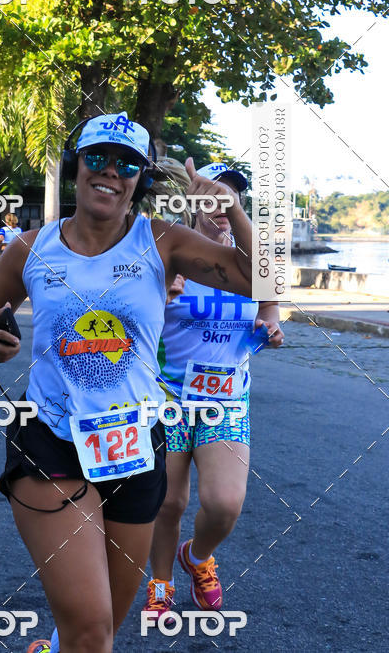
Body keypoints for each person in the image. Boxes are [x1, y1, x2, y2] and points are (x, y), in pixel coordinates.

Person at [0, 112, 254, 653]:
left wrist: (231, 210)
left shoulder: (163, 242)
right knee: (93, 632)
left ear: (139, 179)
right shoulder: (30, 248)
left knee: (102, 630)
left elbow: (258, 278)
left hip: (135, 446)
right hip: (49, 437)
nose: (110, 172)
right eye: (97, 157)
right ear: (78, 166)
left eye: (126, 165)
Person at [143, 159, 284, 619]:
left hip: (226, 399)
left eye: (231, 195)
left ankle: (198, 556)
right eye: (212, 194)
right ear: (192, 199)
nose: (221, 204)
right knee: (169, 500)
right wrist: (159, 293)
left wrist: (271, 326)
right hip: (168, 396)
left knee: (224, 504)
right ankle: (160, 583)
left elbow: (269, 304)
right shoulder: (174, 252)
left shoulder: (252, 262)